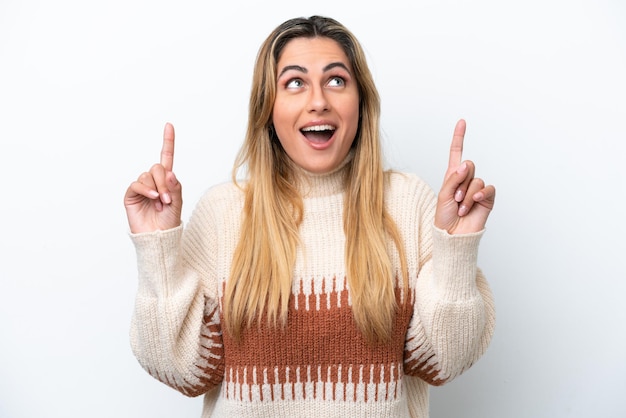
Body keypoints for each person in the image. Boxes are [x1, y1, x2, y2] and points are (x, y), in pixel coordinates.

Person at [124, 15, 496, 418]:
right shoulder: (222, 213)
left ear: (361, 102)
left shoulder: (409, 203)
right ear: (268, 108)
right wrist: (159, 251)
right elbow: (183, 373)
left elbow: (443, 361)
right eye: (295, 83)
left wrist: (455, 250)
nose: (318, 100)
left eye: (336, 80)